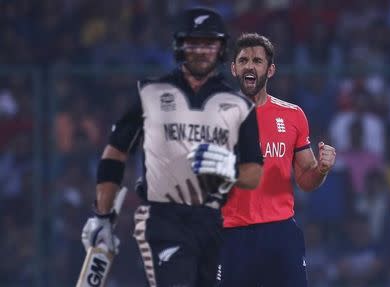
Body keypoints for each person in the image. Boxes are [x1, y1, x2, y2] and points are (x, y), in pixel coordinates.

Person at [81, 8, 263, 287]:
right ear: (180, 45)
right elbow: (115, 152)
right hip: (166, 218)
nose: (201, 51)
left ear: (221, 48)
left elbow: (254, 174)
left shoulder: (240, 105)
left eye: (208, 43)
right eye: (194, 43)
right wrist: (102, 217)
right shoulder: (150, 94)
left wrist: (230, 170)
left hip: (216, 222)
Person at [217, 33, 336, 287]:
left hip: (280, 232)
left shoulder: (293, 115)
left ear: (270, 70)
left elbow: (305, 178)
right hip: (232, 233)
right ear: (234, 68)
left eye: (257, 60)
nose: (250, 65)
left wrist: (322, 169)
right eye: (244, 60)